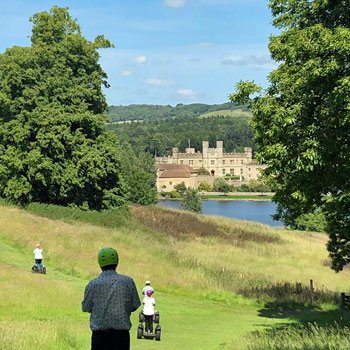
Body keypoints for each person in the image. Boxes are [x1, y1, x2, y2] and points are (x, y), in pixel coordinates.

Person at [82, 247, 141, 350]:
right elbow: (135, 304)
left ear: (100, 263)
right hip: (121, 336)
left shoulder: (93, 284)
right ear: (116, 262)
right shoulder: (128, 282)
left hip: (100, 337)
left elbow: (86, 307)